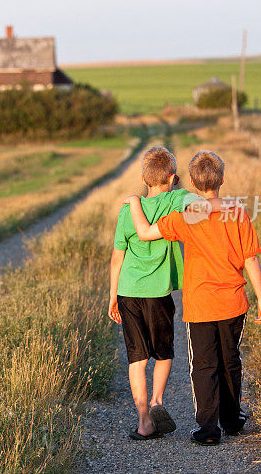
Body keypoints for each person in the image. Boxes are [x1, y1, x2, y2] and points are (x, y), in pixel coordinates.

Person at [127, 150, 261, 446]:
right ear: (223, 180)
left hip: (200, 306)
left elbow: (143, 233)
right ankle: (232, 421)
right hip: (233, 304)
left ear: (190, 182)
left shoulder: (184, 217)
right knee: (230, 361)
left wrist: (134, 202)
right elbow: (251, 259)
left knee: (203, 366)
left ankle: (207, 431)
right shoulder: (237, 211)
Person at [108, 146, 200, 441]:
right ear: (172, 177)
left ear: (144, 178)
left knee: (137, 357)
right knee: (163, 351)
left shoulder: (127, 211)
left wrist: (112, 297)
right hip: (158, 292)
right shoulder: (176, 200)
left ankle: (144, 421)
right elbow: (205, 200)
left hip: (128, 291)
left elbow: (116, 258)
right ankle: (159, 400)